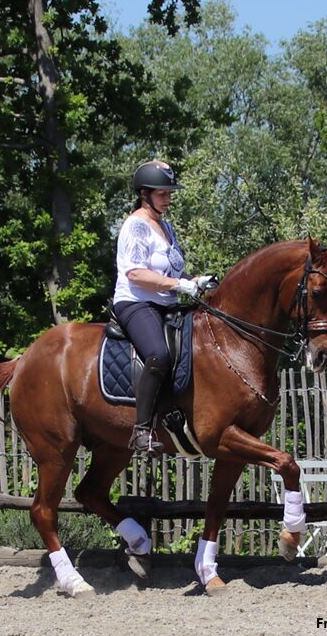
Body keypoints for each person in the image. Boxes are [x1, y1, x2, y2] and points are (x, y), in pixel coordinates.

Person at [113, 160, 214, 452]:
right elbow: (135, 273)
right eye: (162, 193)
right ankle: (141, 430)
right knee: (158, 355)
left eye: (169, 193)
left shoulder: (166, 226)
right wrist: (178, 285)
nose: (168, 199)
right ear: (145, 194)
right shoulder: (136, 226)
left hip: (166, 303)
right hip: (136, 302)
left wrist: (195, 281)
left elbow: (171, 272)